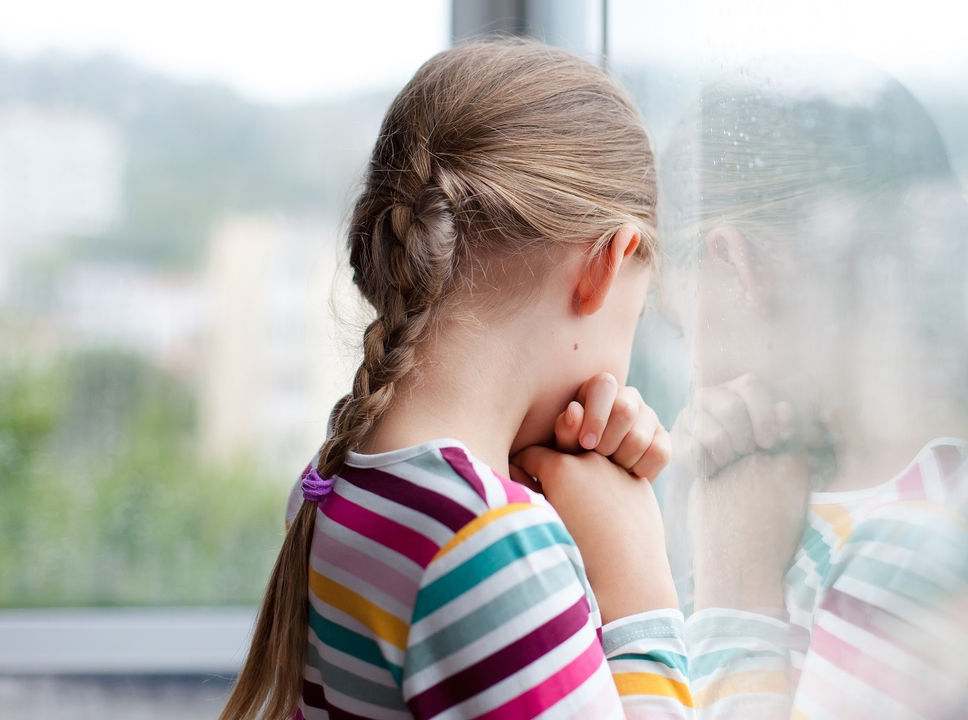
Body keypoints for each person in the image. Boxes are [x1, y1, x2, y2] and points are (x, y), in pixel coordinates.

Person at [220, 38, 693, 720]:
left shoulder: (340, 482)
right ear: (605, 264)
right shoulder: (488, 548)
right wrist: (638, 586)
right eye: (635, 317)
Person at [656, 62, 968, 718]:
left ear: (739, 265)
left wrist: (735, 593)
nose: (696, 380)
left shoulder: (905, 557)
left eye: (686, 335)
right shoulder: (953, 497)